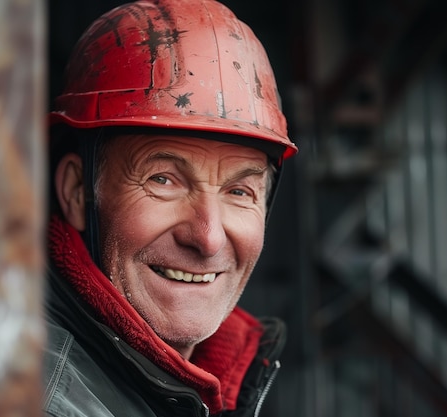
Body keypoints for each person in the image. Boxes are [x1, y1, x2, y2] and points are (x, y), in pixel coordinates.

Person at [42, 0, 298, 416]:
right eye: (163, 180)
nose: (209, 237)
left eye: (239, 191)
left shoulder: (219, 379)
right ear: (76, 191)